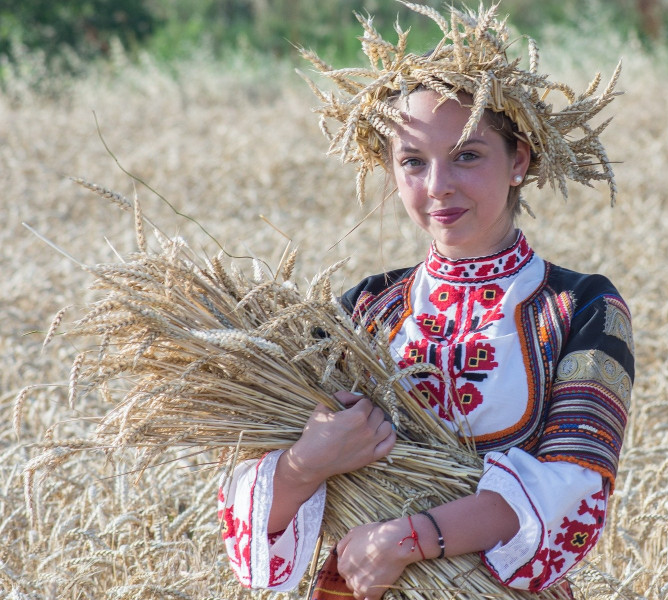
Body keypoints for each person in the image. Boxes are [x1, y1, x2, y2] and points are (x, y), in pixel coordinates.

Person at [217, 4, 634, 599]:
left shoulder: (581, 308)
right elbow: (259, 511)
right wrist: (306, 463)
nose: (438, 185)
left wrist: (407, 540)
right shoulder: (361, 310)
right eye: (413, 161)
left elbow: (576, 485)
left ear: (518, 160)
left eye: (467, 154)